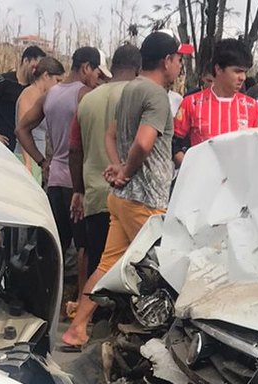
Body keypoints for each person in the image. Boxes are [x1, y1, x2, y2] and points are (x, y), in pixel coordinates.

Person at [59, 31, 187, 350]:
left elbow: (110, 135)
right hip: (146, 203)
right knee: (164, 275)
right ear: (166, 61)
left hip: (122, 199)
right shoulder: (157, 96)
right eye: (178, 59)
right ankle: (164, 345)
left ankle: (77, 329)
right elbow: (144, 143)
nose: (180, 65)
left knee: (106, 266)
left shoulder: (131, 89)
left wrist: (117, 167)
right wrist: (126, 172)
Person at [68, 44, 142, 313]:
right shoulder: (139, 96)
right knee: (128, 269)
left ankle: (92, 320)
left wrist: (78, 190)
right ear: (138, 68)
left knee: (98, 262)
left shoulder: (88, 100)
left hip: (95, 194)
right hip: (131, 196)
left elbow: (74, 149)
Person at [16, 47, 110, 257]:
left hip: (55, 178)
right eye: (97, 74)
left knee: (57, 245)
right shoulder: (85, 95)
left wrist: (42, 162)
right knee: (83, 247)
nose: (97, 80)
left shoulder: (50, 94)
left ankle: (51, 279)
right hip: (77, 182)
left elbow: (21, 129)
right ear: (86, 67)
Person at [173, 37, 258, 161]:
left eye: (245, 72)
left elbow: (256, 148)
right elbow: (175, 144)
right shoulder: (192, 103)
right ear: (218, 69)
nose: (243, 77)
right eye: (237, 71)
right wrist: (191, 166)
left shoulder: (251, 106)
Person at [15, 56, 63, 184]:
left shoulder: (42, 97)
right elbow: (22, 130)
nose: (58, 85)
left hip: (37, 159)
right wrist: (27, 164)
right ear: (46, 76)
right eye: (57, 80)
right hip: (26, 159)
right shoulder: (29, 94)